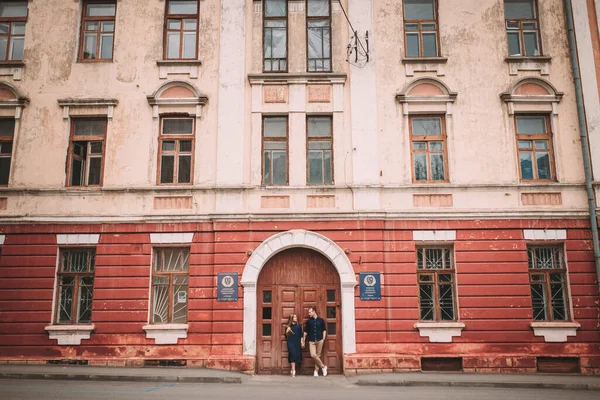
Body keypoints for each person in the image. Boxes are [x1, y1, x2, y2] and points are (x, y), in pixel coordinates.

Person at [302, 306, 327, 377]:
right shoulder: (309, 321)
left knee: (318, 356)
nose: (309, 314)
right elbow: (305, 332)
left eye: (310, 312)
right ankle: (323, 367)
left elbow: (324, 330)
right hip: (312, 341)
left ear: (314, 312)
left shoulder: (321, 320)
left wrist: (323, 339)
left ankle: (316, 371)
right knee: (313, 355)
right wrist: (303, 340)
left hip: (320, 340)